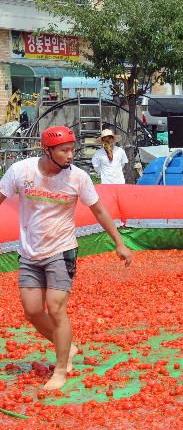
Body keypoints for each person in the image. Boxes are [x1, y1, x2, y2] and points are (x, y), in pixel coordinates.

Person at [0, 126, 133, 390]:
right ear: (47, 150)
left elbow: (99, 211)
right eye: (64, 150)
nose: (70, 155)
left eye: (72, 149)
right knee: (32, 311)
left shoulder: (78, 178)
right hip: (29, 252)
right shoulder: (21, 171)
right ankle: (67, 347)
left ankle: (60, 370)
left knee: (57, 308)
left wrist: (120, 243)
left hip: (61, 251)